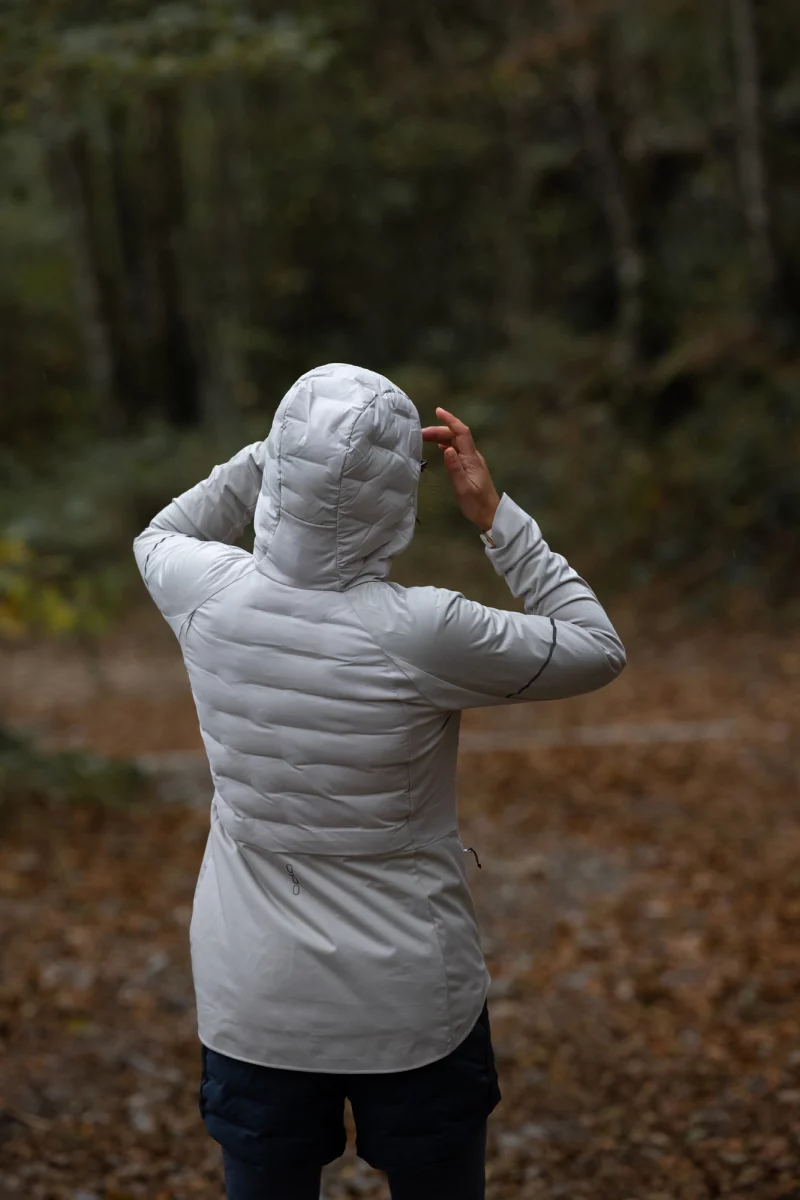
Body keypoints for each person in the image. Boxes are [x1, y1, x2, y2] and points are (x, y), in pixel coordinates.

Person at [133, 363, 626, 1200]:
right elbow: (595, 646)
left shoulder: (202, 590)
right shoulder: (424, 630)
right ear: (399, 494)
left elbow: (164, 526)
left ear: (278, 469)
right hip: (411, 1003)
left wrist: (276, 457)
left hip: (253, 995)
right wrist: (496, 517)